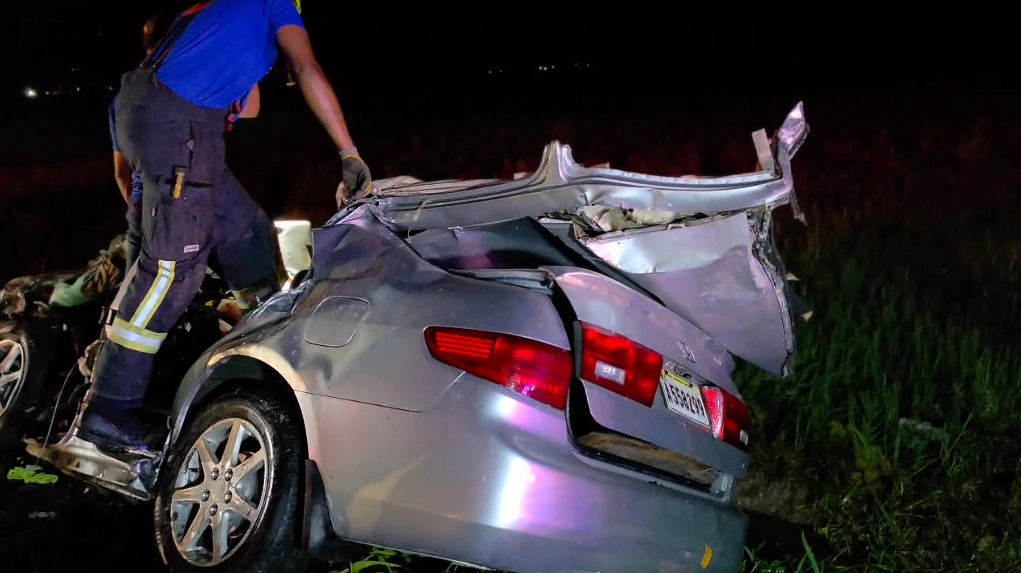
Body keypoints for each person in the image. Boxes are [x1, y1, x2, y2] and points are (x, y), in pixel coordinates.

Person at [78, 0, 374, 452]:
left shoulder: (213, 11)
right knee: (173, 269)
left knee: (244, 226)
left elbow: (248, 106)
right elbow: (308, 67)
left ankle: (263, 327)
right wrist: (349, 153)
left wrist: (260, 60)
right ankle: (110, 408)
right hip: (180, 121)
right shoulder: (271, 3)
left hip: (172, 118)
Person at [110, 12, 173, 274]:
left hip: (140, 199)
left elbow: (120, 172)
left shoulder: (122, 99)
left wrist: (137, 206)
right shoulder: (177, 90)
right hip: (175, 200)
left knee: (133, 281)